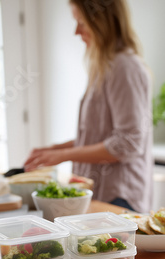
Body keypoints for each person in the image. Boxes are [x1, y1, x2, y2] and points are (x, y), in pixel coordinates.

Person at [24, 0, 153, 213]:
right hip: (104, 192)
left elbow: (127, 143)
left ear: (103, 22)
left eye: (82, 23)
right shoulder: (105, 66)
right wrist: (55, 150)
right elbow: (100, 136)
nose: (76, 32)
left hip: (120, 196)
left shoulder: (124, 67)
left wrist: (64, 155)